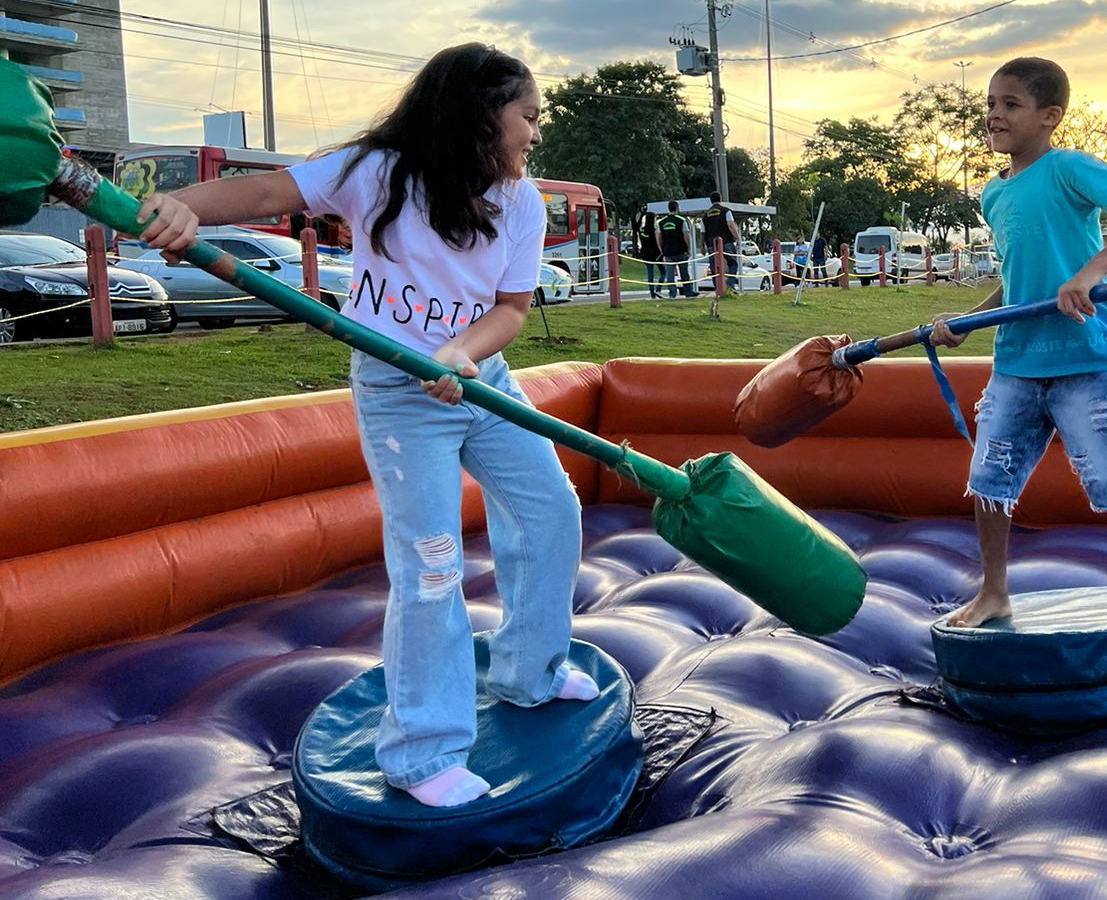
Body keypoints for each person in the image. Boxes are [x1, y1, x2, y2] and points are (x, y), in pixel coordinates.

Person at [132, 43, 597, 810]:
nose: (535, 133)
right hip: (396, 390)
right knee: (433, 564)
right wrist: (189, 209)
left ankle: (531, 672)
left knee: (550, 512)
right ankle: (422, 753)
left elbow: (511, 309)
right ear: (482, 114)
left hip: (480, 378)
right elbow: (265, 195)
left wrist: (459, 352)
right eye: (529, 116)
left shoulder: (521, 199)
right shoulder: (376, 171)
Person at [928, 56, 1107, 626]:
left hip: (1084, 359)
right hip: (1016, 364)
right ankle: (994, 591)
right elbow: (1017, 279)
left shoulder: (1068, 168)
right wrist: (968, 319)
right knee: (989, 480)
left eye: (1010, 105)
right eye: (991, 105)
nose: (995, 116)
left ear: (1049, 117)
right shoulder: (993, 196)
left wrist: (1091, 273)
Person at [701, 191, 742, 293]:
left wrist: (702, 245)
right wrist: (737, 238)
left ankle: (718, 289)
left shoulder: (705, 215)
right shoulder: (726, 211)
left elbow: (703, 232)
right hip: (726, 242)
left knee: (714, 268)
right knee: (733, 263)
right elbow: (731, 225)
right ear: (720, 199)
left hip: (711, 244)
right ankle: (729, 285)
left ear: (711, 201)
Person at [656, 199, 693, 298]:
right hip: (681, 250)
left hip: (668, 252)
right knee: (684, 273)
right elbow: (686, 235)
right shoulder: (681, 220)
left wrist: (661, 249)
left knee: (670, 275)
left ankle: (672, 293)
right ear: (677, 208)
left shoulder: (661, 222)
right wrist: (688, 248)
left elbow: (659, 237)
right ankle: (688, 291)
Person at [637, 209, 663, 300]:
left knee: (650, 274)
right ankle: (658, 288)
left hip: (645, 253)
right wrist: (661, 251)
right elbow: (657, 241)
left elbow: (641, 241)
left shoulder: (641, 230)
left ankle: (652, 293)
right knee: (663, 272)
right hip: (655, 253)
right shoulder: (654, 230)